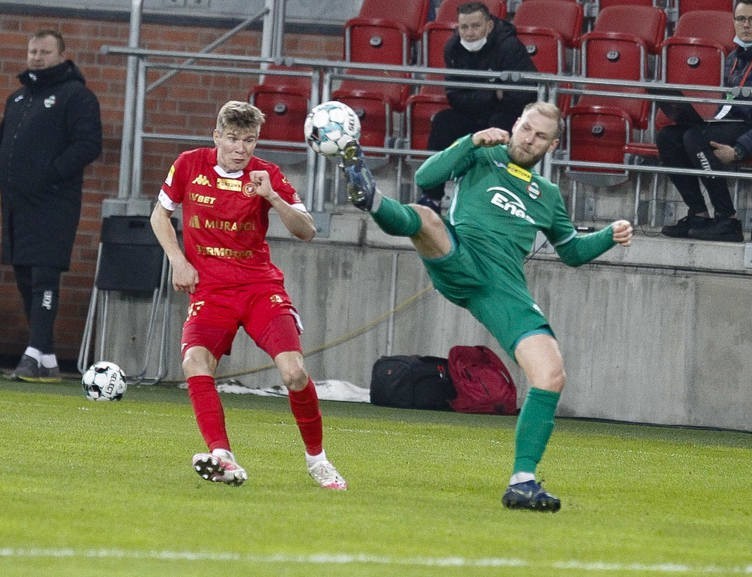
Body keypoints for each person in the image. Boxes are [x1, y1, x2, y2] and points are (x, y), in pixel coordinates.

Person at [341, 101, 633, 512]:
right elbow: (428, 176)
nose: (529, 139)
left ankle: (523, 482)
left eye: (540, 136)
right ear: (516, 124)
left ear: (551, 146)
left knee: (551, 375)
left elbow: (572, 252)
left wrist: (609, 235)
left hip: (502, 287)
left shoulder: (547, 195)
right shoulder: (482, 153)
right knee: (427, 216)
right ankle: (371, 200)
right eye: (526, 128)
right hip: (461, 258)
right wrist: (471, 140)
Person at [149, 100, 346, 490]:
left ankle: (318, 460)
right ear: (217, 135)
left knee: (294, 373)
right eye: (234, 139)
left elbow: (306, 230)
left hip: (259, 288)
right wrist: (178, 260)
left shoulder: (267, 174)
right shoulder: (189, 164)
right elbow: (160, 215)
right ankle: (222, 455)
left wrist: (272, 197)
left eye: (250, 141)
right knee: (194, 362)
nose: (241, 149)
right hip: (211, 291)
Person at [0, 29, 102, 382]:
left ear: (61, 55)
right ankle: (45, 357)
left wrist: (50, 174)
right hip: (16, 206)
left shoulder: (77, 96)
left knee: (45, 274)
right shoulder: (17, 99)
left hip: (53, 204)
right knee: (25, 274)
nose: (37, 58)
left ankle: (33, 352)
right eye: (32, 51)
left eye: (44, 51)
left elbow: (89, 145)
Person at [657, 0, 752, 242]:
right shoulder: (734, 56)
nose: (746, 25)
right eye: (740, 19)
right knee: (668, 137)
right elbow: (728, 103)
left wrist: (739, 149)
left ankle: (727, 219)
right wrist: (699, 119)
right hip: (731, 122)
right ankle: (699, 214)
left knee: (695, 138)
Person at [419, 1, 537, 213]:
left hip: (505, 115)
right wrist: (493, 93)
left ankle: (491, 199)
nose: (470, 33)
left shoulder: (509, 46)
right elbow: (454, 96)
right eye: (464, 27)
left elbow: (524, 94)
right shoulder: (452, 48)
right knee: (443, 122)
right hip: (471, 113)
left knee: (498, 126)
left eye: (475, 26)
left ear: (489, 26)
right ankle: (432, 198)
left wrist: (485, 96)